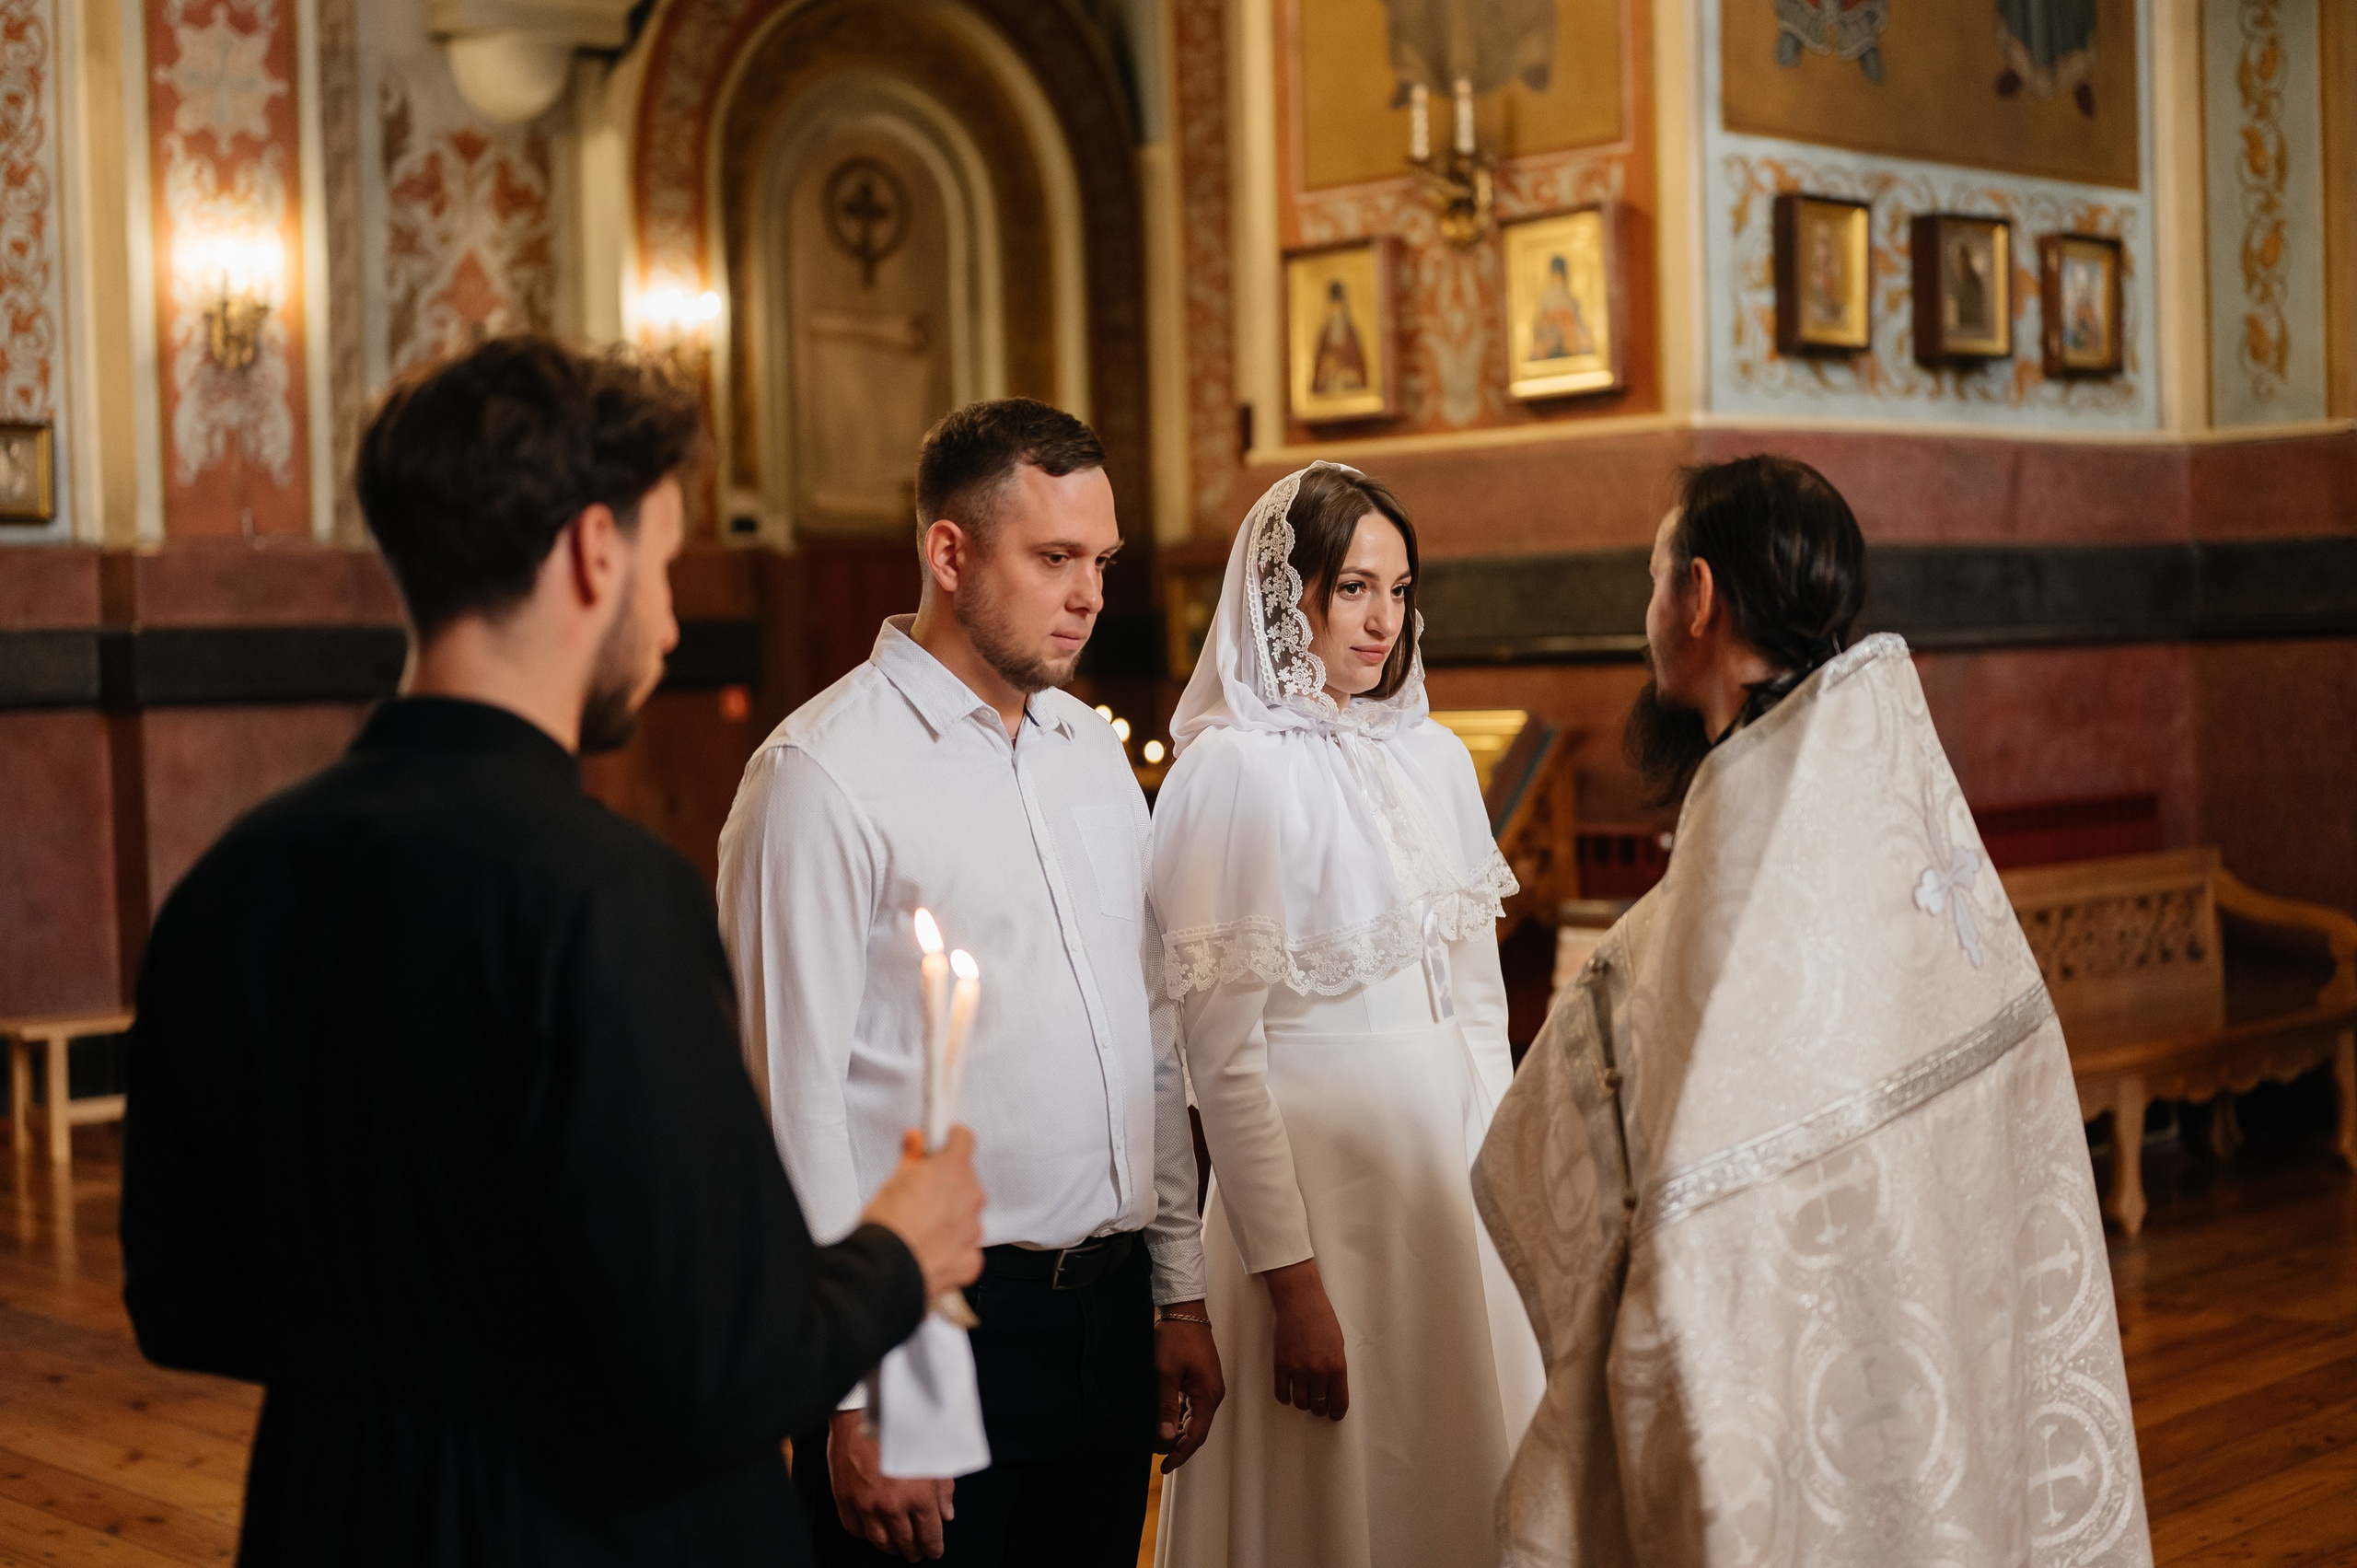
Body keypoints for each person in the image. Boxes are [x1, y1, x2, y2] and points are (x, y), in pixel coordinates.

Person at [117, 336, 987, 1568]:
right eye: (668, 565)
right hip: (577, 1524)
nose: (675, 620)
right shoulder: (608, 895)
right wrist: (900, 1245)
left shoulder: (232, 876)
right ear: (593, 549)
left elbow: (178, 1299)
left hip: (327, 1510)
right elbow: (720, 1367)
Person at [1475, 455, 2153, 1567]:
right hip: (1932, 1294)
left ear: (1698, 597)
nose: (1648, 612)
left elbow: (1665, 1128)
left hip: (1817, 1339)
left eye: (1653, 580)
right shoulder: (1879, 785)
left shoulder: (1757, 825)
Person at [716, 398, 1223, 1565]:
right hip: (926, 1320)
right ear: (949, 552)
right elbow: (789, 1111)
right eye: (1053, 558)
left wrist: (1177, 1292)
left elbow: (1145, 1035)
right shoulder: (818, 775)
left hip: (1105, 1313)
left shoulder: (1091, 751)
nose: (1090, 593)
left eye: (1100, 561)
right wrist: (856, 1393)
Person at [1149, 462, 1545, 1568]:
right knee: (1331, 1496)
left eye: (1400, 590)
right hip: (1312, 1203)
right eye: (1355, 588)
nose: (1383, 620)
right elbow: (1221, 1061)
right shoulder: (1230, 775)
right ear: (1291, 596)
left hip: (1444, 1184)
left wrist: (1503, 1192)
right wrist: (1293, 1279)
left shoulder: (1430, 758)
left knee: (1462, 1471)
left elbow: (1476, 1008)